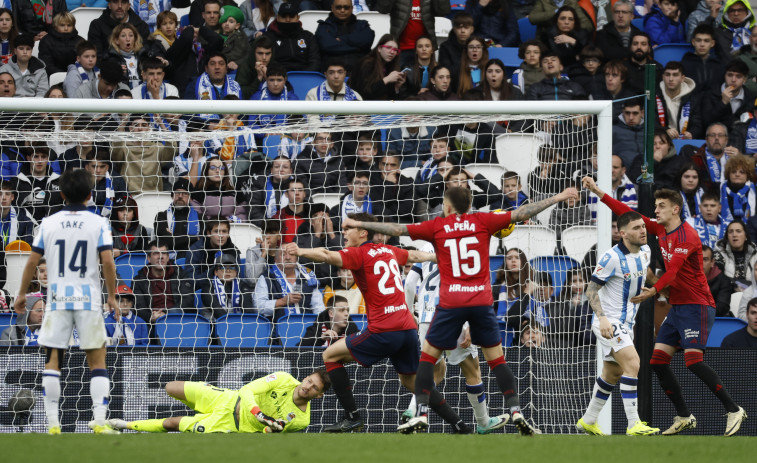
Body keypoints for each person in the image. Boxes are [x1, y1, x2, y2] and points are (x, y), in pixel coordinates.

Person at [343, 186, 579, 434]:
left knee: (427, 360)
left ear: (447, 206)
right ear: (469, 205)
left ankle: (421, 412)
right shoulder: (484, 220)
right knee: (495, 361)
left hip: (448, 304)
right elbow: (521, 213)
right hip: (480, 303)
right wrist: (558, 197)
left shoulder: (437, 227)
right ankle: (515, 411)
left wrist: (359, 222)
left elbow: (397, 230)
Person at [582, 175, 747, 436]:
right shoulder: (660, 230)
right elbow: (627, 213)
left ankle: (733, 408)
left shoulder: (688, 236)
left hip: (697, 305)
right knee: (657, 361)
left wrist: (653, 291)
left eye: (660, 206)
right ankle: (683, 415)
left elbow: (673, 273)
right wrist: (598, 192)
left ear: (675, 209)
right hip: (678, 306)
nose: (655, 210)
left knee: (693, 361)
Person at [285, 212, 471, 433]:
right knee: (411, 383)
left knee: (330, 355)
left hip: (384, 329)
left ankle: (352, 417)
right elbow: (415, 255)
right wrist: (438, 257)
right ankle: (459, 425)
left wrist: (301, 250)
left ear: (363, 232)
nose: (343, 233)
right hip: (407, 329)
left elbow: (327, 255)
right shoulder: (389, 251)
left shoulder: (359, 254)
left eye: (348, 229)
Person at [13, 168, 118, 435]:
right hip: (88, 299)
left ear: (61, 194)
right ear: (90, 195)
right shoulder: (98, 223)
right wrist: (113, 296)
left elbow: (33, 260)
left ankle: (52, 422)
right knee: (97, 362)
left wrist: (22, 294)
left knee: (53, 361)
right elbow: (107, 260)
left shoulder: (48, 222)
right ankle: (99, 420)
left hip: (58, 300)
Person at [402, 241, 510, 434]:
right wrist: (468, 324)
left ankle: (412, 411)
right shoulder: (460, 244)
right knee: (472, 370)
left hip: (426, 318)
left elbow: (409, 283)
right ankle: (484, 422)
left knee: (434, 368)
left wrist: (410, 312)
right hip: (452, 315)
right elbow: (464, 286)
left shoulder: (426, 246)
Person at [576, 211, 660, 436]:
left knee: (612, 373)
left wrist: (655, 288)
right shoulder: (610, 258)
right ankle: (634, 423)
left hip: (626, 322)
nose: (642, 230)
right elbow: (591, 289)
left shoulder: (646, 251)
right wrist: (602, 318)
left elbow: (645, 273)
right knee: (632, 363)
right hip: (608, 321)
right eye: (636, 228)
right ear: (623, 234)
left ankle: (588, 419)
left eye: (643, 226)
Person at [107, 370, 331, 433]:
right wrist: (259, 413)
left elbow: (271, 435)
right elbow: (247, 389)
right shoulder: (283, 379)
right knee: (170, 387)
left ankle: (122, 425)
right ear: (306, 376)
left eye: (314, 388)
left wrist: (269, 428)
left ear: (318, 395)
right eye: (309, 380)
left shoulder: (302, 420)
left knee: (172, 424)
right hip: (227, 398)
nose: (307, 386)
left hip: (229, 425)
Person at [133, 240, 194, 342]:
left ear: (168, 257)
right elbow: (139, 308)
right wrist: (151, 317)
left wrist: (166, 315)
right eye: (156, 253)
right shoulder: (139, 280)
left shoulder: (180, 274)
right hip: (153, 323)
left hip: (178, 318)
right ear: (149, 258)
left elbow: (188, 300)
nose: (160, 257)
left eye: (164, 253)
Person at [253, 248, 325, 322]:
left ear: (296, 257)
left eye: (292, 254)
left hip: (307, 327)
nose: (288, 257)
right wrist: (283, 301)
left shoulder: (307, 276)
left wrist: (319, 327)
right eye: (283, 254)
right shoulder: (266, 277)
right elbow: (258, 307)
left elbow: (318, 307)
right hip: (277, 330)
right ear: (275, 259)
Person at [377, 0, 451, 67]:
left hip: (424, 48)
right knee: (399, 79)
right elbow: (383, 9)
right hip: (401, 48)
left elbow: (443, 11)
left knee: (425, 79)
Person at [314, 0, 375, 73]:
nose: (342, 10)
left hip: (360, 74)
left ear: (352, 8)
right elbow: (326, 46)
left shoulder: (362, 25)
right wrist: (357, 47)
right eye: (338, 7)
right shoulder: (324, 26)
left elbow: (367, 41)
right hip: (332, 76)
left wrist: (342, 39)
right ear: (332, 8)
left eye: (346, 7)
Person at [263, 2, 320, 73]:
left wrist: (304, 75)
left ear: (298, 18)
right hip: (277, 77)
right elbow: (266, 61)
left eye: (291, 16)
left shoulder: (308, 37)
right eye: (284, 16)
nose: (287, 20)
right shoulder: (268, 37)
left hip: (305, 77)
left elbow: (315, 61)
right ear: (277, 18)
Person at [153, 178, 201, 260]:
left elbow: (203, 242)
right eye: (177, 192)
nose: (180, 196)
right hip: (167, 262)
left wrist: (174, 238)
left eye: (185, 193)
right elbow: (164, 243)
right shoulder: (161, 216)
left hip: (194, 261)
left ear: (190, 197)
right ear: (172, 196)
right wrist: (195, 238)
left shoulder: (201, 218)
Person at [349, 34, 406, 101]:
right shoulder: (367, 63)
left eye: (395, 50)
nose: (392, 52)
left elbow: (392, 101)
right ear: (379, 48)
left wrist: (396, 88)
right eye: (388, 48)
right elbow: (364, 94)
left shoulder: (390, 67)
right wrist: (386, 80)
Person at [201, 253, 255, 321]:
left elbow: (248, 311)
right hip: (213, 326)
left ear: (236, 272)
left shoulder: (242, 286)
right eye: (223, 267)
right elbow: (218, 311)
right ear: (216, 272)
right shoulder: (207, 286)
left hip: (239, 325)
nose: (228, 270)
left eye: (232, 267)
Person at [682, 24, 727, 96]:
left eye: (706, 41)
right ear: (693, 42)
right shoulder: (684, 65)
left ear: (712, 43)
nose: (702, 44)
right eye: (698, 40)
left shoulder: (720, 66)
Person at [0, 33, 48, 97]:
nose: (25, 52)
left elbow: (43, 93)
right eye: (21, 48)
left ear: (31, 51)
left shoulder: (41, 72)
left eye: (28, 49)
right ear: (15, 51)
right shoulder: (4, 69)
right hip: (10, 104)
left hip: (34, 105)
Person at [713, 220, 757, 290]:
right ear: (727, 237)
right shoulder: (718, 254)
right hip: (727, 295)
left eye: (738, 231)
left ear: (746, 236)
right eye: (730, 232)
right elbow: (718, 281)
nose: (734, 235)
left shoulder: (755, 254)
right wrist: (738, 285)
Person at [38, 11, 84, 76]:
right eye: (62, 25)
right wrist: (63, 75)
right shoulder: (46, 41)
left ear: (73, 26)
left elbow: (84, 62)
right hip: (53, 78)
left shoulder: (80, 41)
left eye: (69, 25)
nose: (66, 28)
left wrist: (73, 75)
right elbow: (46, 64)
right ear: (55, 26)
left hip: (77, 77)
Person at [718, 155, 755, 223]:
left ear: (748, 175)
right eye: (734, 172)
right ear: (728, 174)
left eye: (742, 172)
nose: (737, 174)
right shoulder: (718, 190)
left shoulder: (754, 191)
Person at [702, 244, 734, 317]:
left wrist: (698, 311)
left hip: (716, 321)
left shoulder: (723, 281)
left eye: (705, 259)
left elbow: (722, 307)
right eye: (697, 259)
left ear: (712, 262)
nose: (701, 263)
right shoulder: (686, 279)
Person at [612, 100, 646, 169]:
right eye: (627, 113)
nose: (631, 117)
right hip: (622, 173)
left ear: (642, 113)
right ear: (623, 112)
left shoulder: (650, 130)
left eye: (635, 113)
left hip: (648, 171)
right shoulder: (613, 130)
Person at [218, 5, 250, 71]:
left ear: (237, 26)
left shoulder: (240, 37)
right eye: (224, 21)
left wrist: (221, 58)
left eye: (231, 21)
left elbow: (237, 53)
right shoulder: (216, 35)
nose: (227, 24)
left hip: (233, 67)